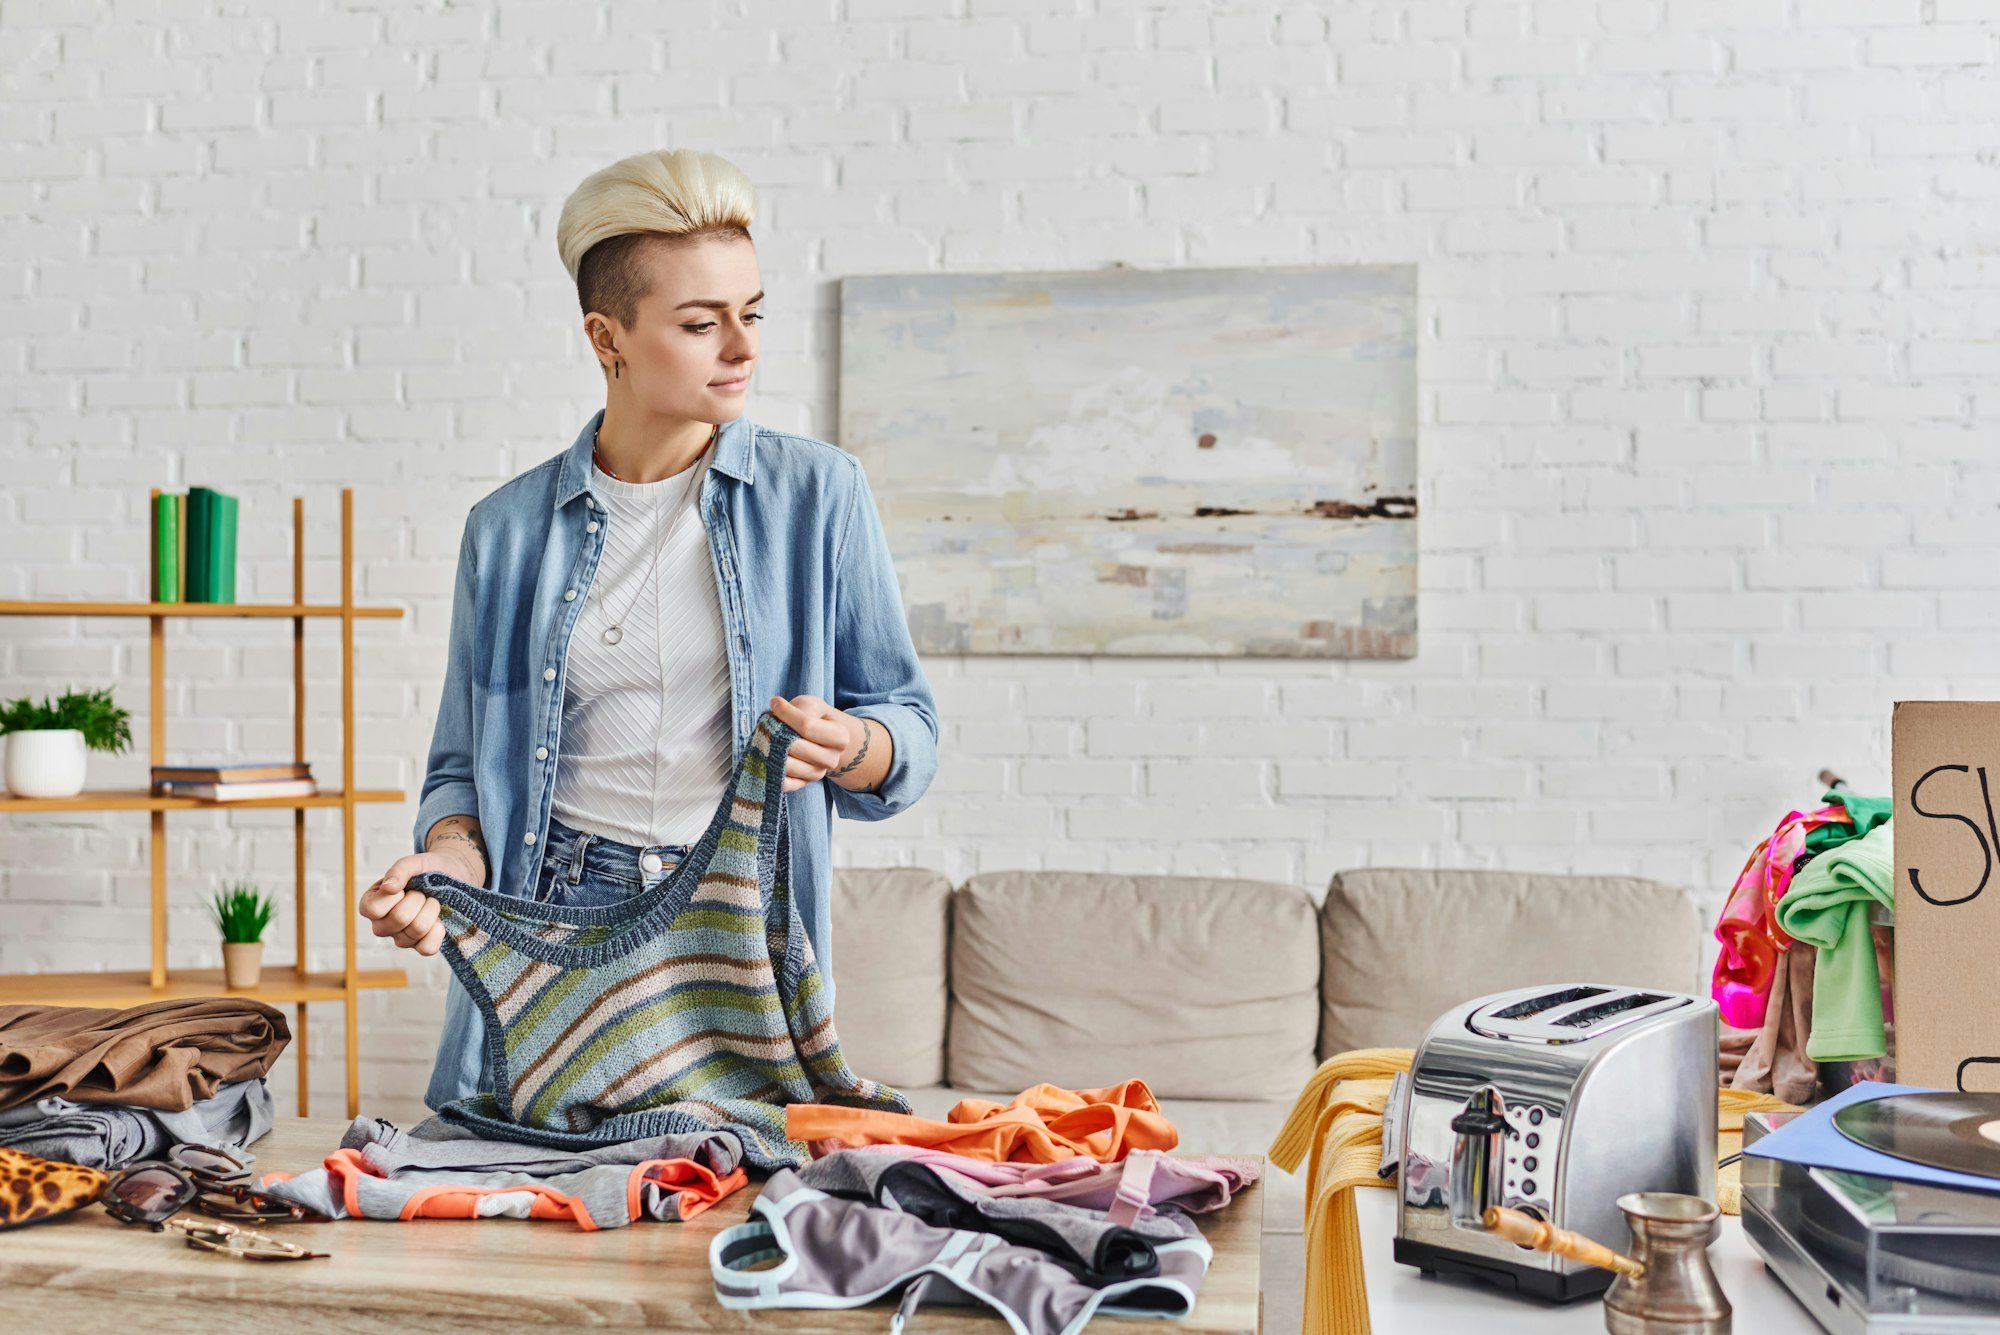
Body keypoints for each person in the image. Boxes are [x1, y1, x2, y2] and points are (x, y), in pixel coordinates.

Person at [356, 147, 939, 1112]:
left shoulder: (818, 496)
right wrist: (450, 858)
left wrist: (857, 746)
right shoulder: (504, 533)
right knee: (544, 1214)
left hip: (741, 922)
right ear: (607, 335)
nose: (742, 349)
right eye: (701, 323)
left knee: (738, 1193)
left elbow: (908, 726)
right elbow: (460, 770)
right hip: (564, 914)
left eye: (751, 315)